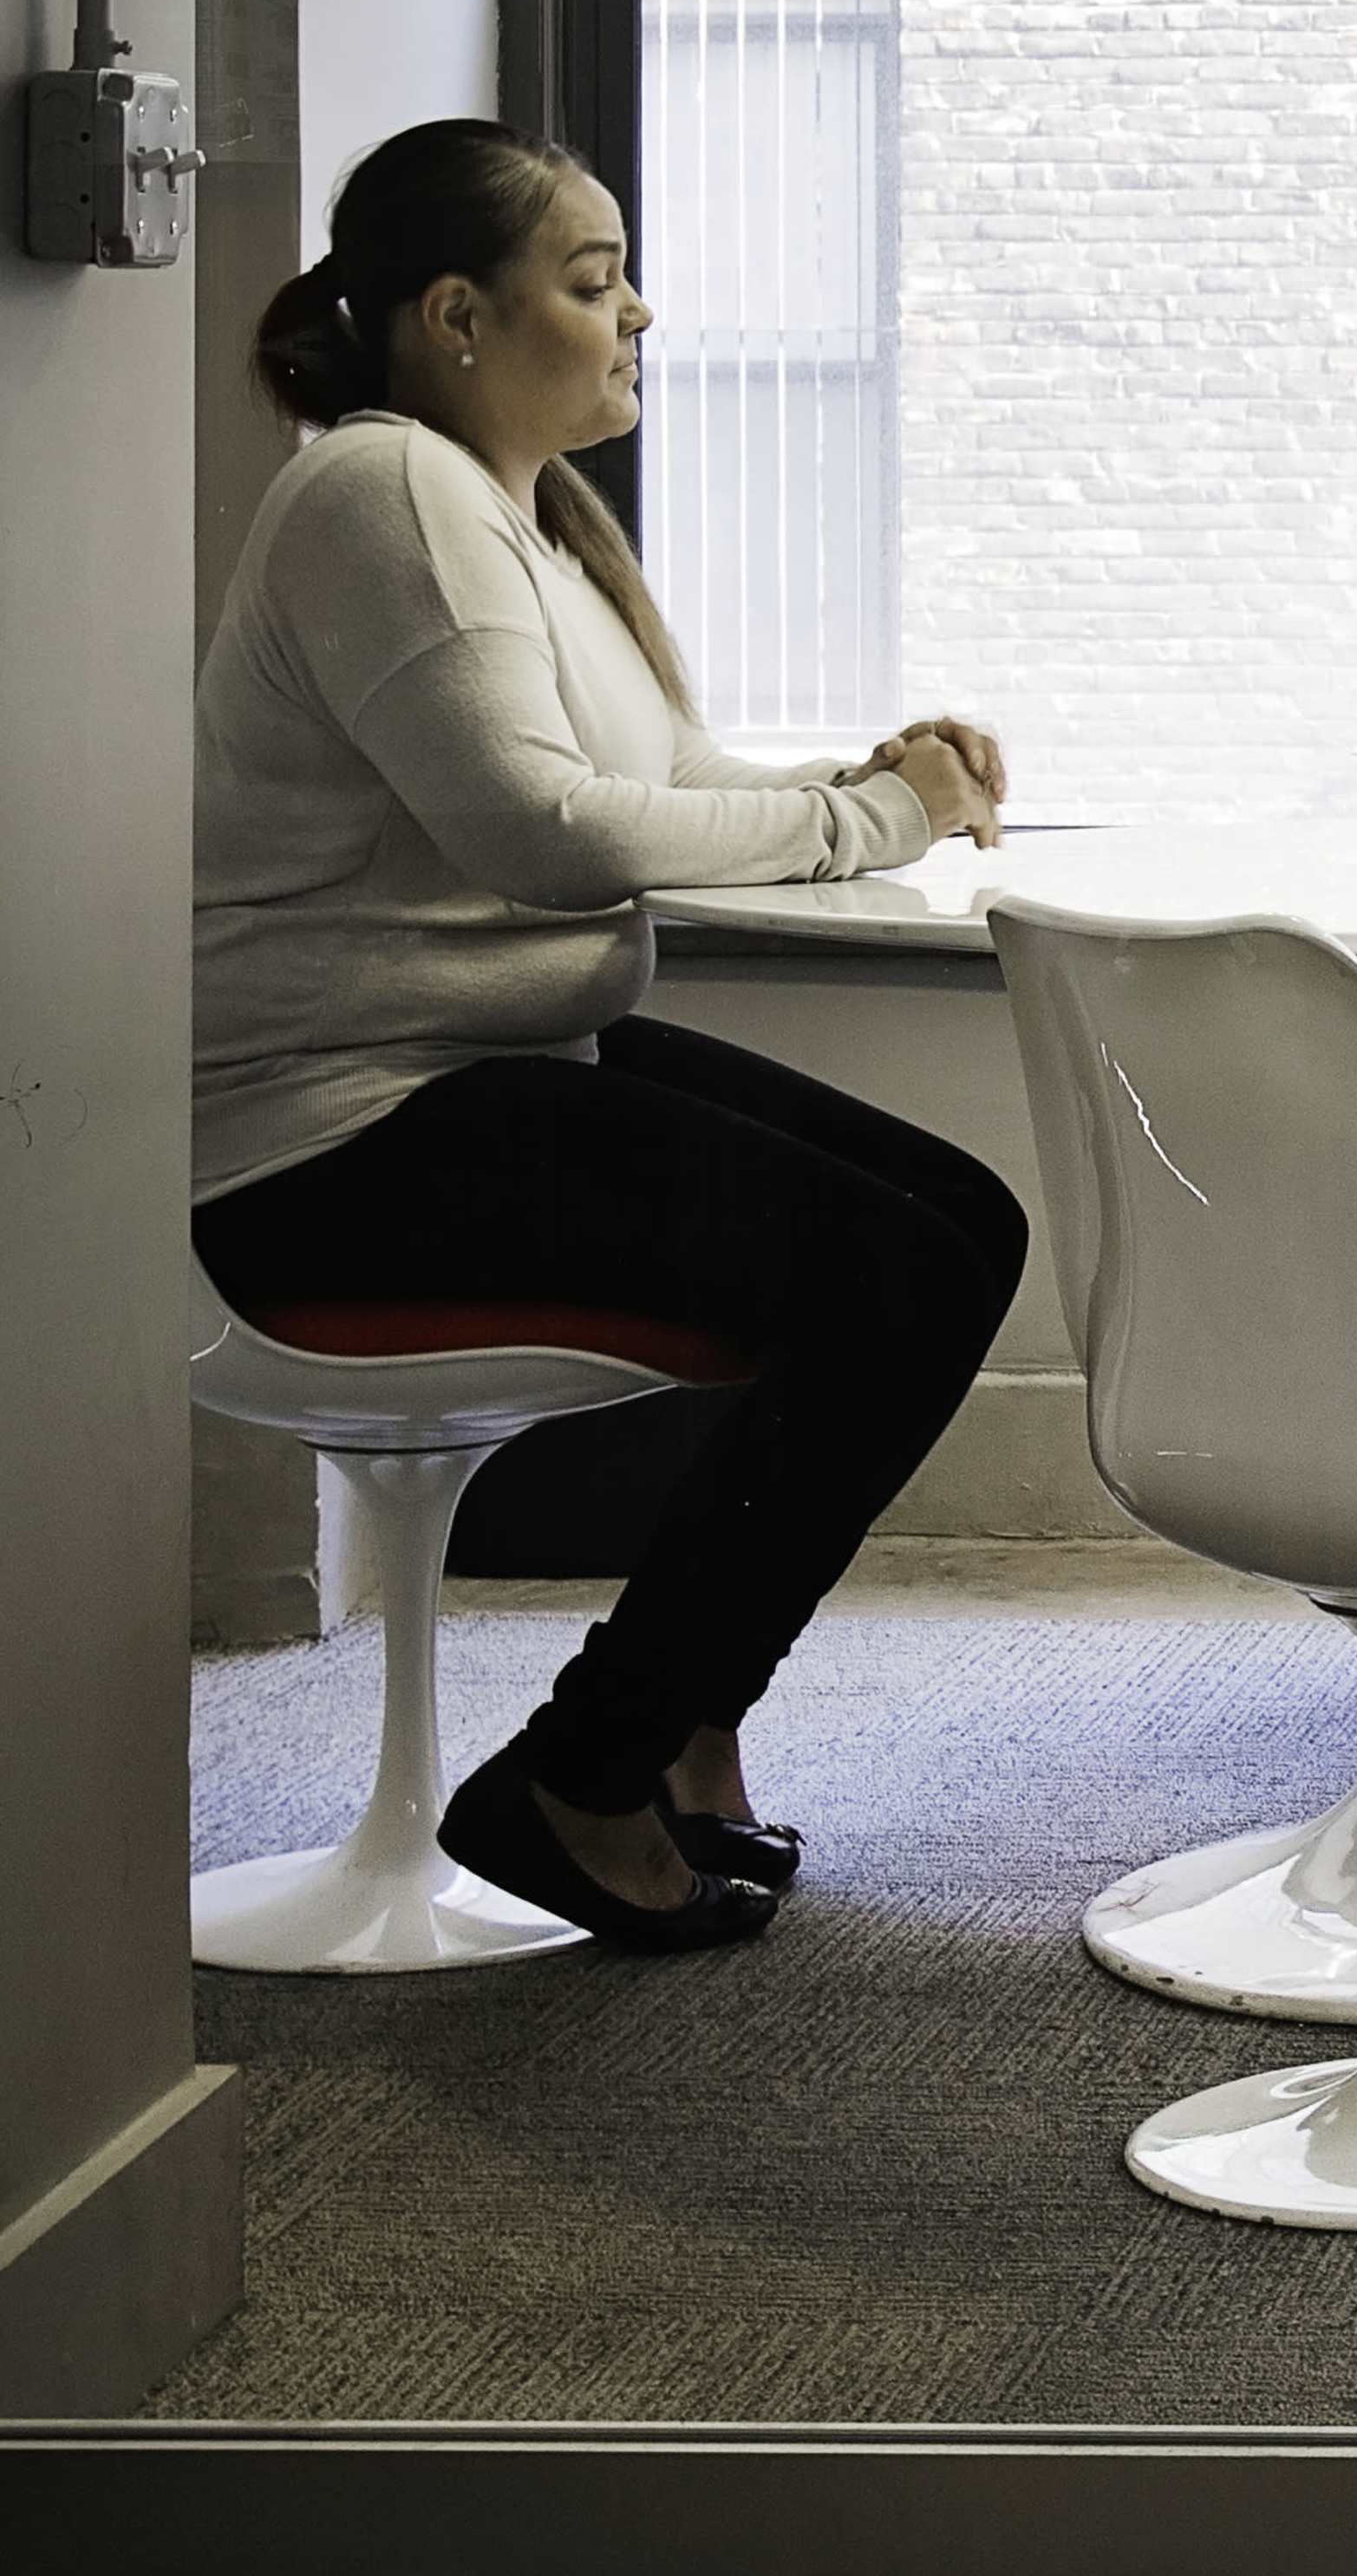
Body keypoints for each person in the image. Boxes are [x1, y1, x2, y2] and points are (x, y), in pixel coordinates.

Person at [194, 120, 1028, 1955]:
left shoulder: (528, 520)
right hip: (326, 1139)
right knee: (890, 1276)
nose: (639, 309)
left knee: (965, 1222)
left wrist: (873, 778)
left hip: (485, 1072)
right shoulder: (383, 491)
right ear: (455, 318)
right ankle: (589, 1766)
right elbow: (545, 831)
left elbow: (665, 783)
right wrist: (867, 823)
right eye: (591, 278)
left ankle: (678, 1724)